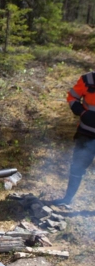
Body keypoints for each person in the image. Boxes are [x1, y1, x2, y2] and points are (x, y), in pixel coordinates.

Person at [51, 71, 95, 206]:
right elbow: (72, 97)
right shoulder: (87, 79)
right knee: (77, 167)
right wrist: (82, 112)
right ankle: (67, 199)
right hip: (86, 134)